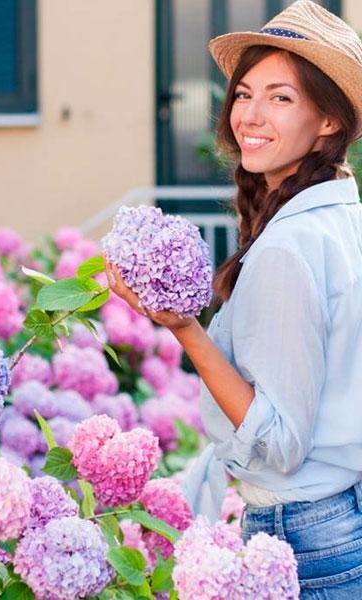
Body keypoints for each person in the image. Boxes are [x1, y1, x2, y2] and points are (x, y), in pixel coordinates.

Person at [106, 0, 362, 596]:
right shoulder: (342, 217)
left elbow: (278, 443)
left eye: (281, 97)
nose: (251, 114)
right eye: (245, 94)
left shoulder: (288, 246)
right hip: (340, 517)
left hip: (300, 532)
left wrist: (185, 328)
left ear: (328, 120)